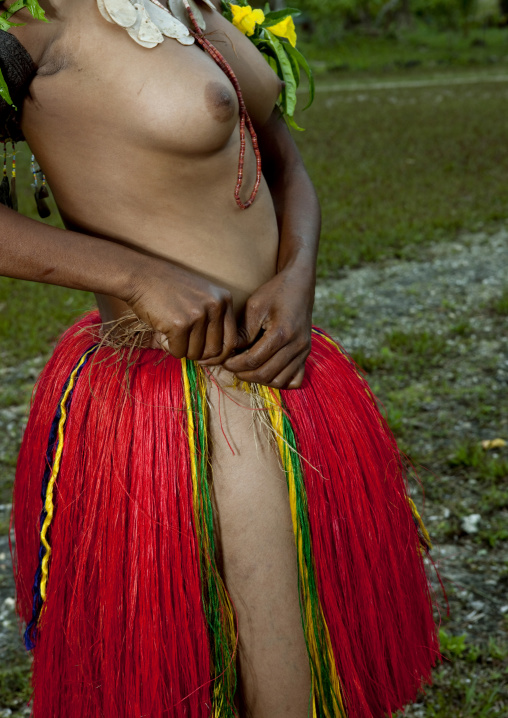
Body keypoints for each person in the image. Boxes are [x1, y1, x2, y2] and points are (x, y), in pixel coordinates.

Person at [0, 1, 439, 716]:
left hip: (282, 373)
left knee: (306, 661)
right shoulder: (32, 20)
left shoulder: (197, 2)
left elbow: (286, 162)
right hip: (173, 401)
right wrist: (136, 277)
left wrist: (297, 275)